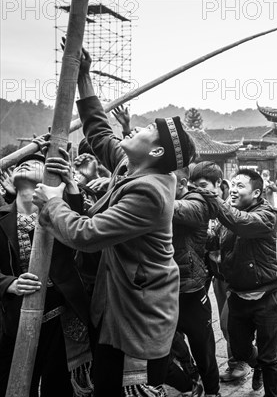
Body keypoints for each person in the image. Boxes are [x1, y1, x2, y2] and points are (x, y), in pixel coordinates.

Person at [33, 47, 196, 397]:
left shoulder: (149, 192)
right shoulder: (132, 164)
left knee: (124, 389)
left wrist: (53, 202)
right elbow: (98, 131)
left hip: (137, 316)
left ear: (155, 152)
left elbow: (86, 234)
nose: (136, 126)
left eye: (147, 129)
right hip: (114, 301)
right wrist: (83, 76)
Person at [1, 150, 92, 397]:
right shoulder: (1, 218)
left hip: (61, 316)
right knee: (16, 384)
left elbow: (81, 227)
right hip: (13, 319)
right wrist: (9, 284)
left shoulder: (60, 215)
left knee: (59, 386)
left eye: (34, 163)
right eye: (20, 164)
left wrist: (71, 183)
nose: (24, 165)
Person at [199, 169, 277, 397]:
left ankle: (272, 391)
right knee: (239, 348)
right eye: (232, 184)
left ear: (256, 193)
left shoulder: (268, 215)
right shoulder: (228, 217)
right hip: (237, 294)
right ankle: (257, 366)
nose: (233, 190)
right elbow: (213, 241)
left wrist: (215, 201)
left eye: (240, 186)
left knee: (270, 356)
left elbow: (242, 223)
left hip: (267, 297)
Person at [190, 161, 251, 383]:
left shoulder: (232, 204)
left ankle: (249, 361)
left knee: (230, 324)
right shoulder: (199, 203)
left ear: (219, 183)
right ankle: (238, 362)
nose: (197, 188)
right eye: (193, 184)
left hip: (236, 275)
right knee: (228, 324)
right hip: (216, 273)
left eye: (203, 184)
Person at [169, 167, 220, 397]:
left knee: (204, 348)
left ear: (181, 184)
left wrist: (148, 193)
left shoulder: (196, 200)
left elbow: (183, 210)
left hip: (190, 290)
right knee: (166, 345)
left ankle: (212, 391)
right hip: (162, 290)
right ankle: (189, 380)